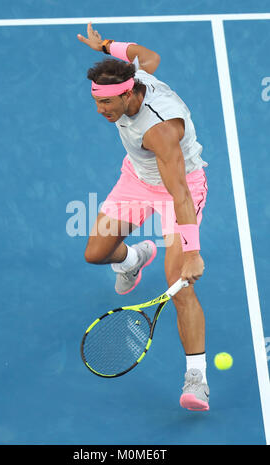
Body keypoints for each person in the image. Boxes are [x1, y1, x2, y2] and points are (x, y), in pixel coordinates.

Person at [77, 23, 210, 411]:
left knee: (179, 284)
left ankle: (197, 379)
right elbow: (148, 56)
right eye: (96, 102)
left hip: (179, 188)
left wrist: (191, 251)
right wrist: (105, 45)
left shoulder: (160, 131)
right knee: (96, 253)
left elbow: (180, 192)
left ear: (128, 94)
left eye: (105, 104)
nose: (100, 111)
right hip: (136, 180)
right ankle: (135, 259)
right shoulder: (138, 77)